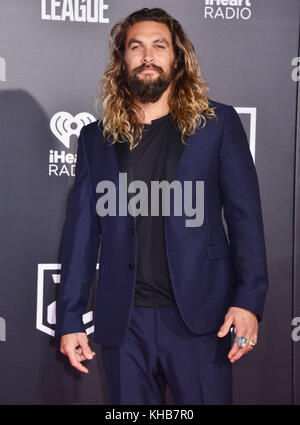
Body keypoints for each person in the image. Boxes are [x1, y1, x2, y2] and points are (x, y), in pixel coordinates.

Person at [55, 8, 269, 405]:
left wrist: (248, 300)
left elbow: (245, 221)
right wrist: (69, 318)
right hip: (125, 322)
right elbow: (81, 235)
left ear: (178, 58)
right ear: (122, 60)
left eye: (159, 46)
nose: (148, 55)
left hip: (201, 320)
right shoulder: (94, 138)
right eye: (136, 47)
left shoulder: (217, 124)